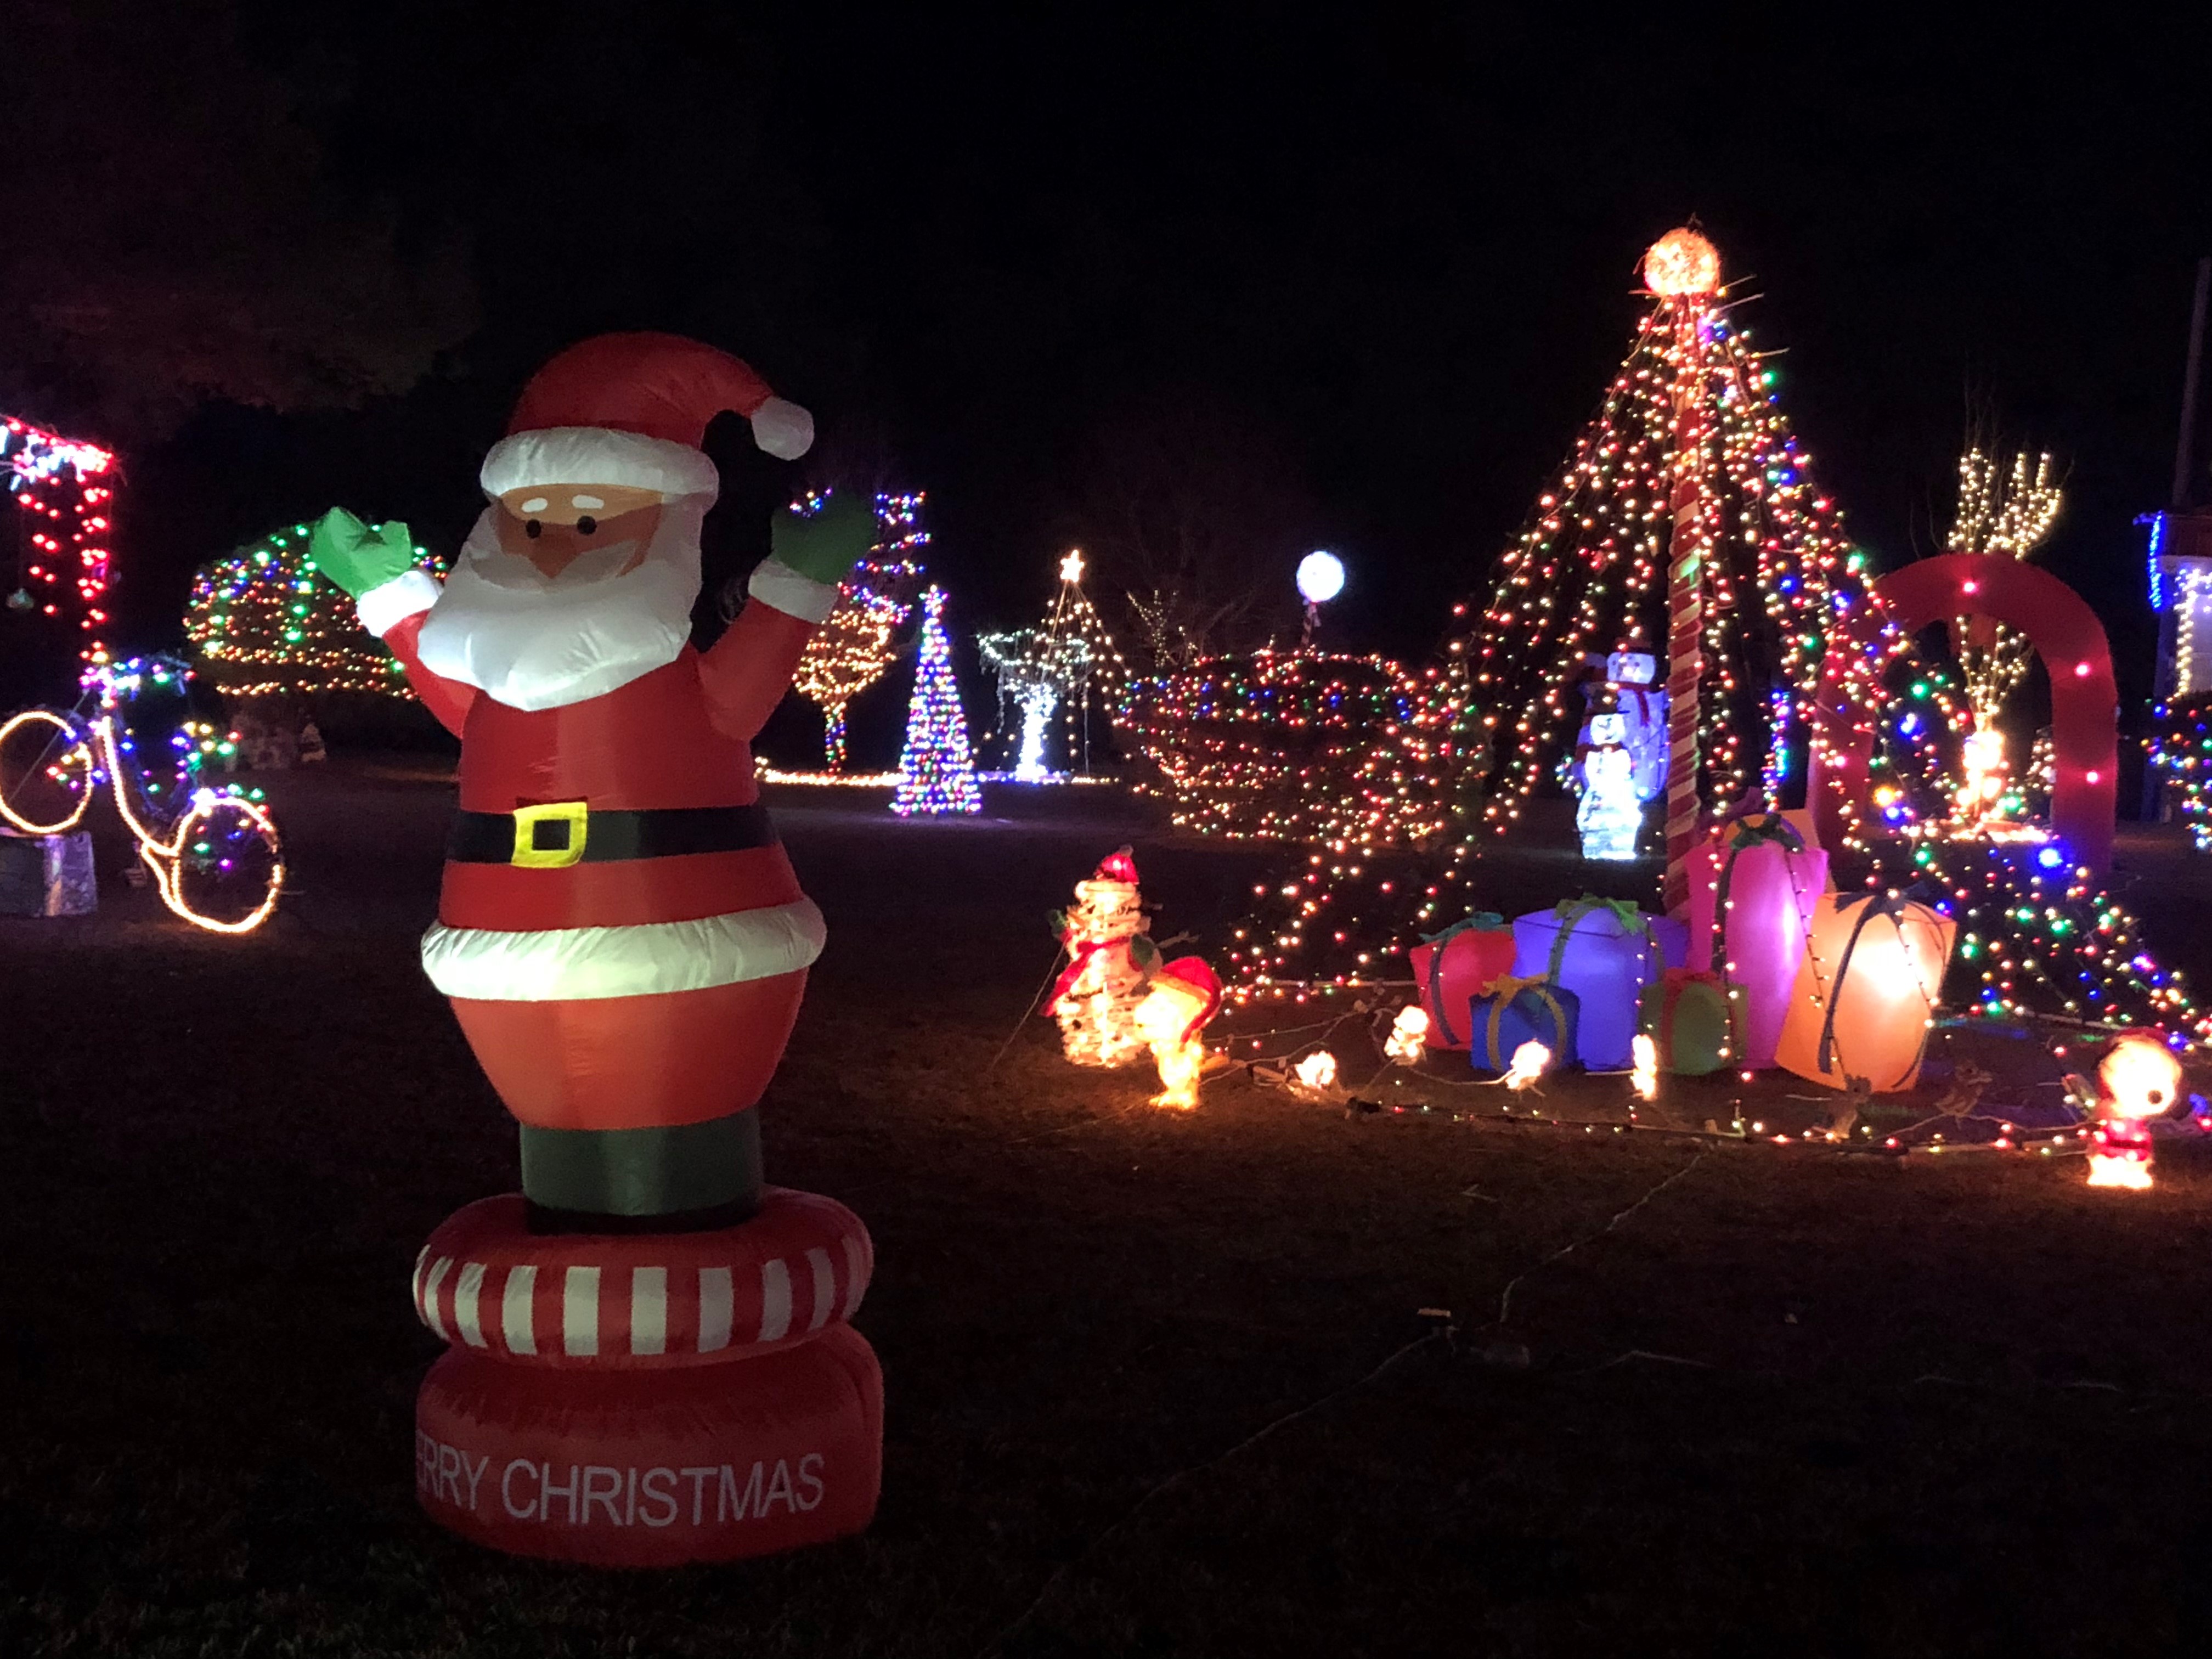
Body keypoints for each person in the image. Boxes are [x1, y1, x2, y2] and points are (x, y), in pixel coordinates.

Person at [309, 333, 873, 1232]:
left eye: (590, 522)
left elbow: (737, 695)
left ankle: (686, 1206)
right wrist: (387, 589)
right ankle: (584, 1207)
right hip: (507, 932)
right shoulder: (498, 671)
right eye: (533, 525)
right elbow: (461, 692)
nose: (556, 549)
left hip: (689, 916)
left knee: (680, 1130)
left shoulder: (670, 680)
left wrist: (801, 575)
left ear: (667, 524)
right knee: (558, 1111)